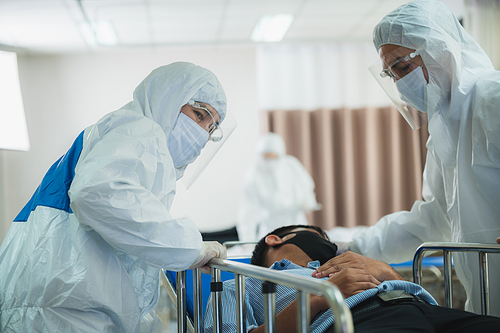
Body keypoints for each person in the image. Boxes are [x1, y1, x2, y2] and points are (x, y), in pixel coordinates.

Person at [0, 62, 233, 332]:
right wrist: (190, 248)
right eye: (199, 114)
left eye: (211, 127)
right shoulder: (140, 131)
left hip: (61, 306)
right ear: (171, 97)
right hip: (65, 313)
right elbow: (96, 194)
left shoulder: (131, 136)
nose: (203, 133)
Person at [324, 0, 500, 316]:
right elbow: (432, 220)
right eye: (391, 75)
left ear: (441, 49)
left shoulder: (493, 97)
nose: (401, 84)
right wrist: (353, 246)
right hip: (486, 300)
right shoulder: (444, 132)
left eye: (403, 67)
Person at [204, 225, 500, 333]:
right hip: (359, 322)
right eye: (321, 237)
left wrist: (384, 271)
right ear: (275, 239)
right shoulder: (239, 283)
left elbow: (403, 287)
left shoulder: (354, 263)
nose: (330, 245)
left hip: (425, 309)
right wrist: (321, 297)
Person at [237, 132, 320, 241]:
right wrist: (247, 242)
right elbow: (247, 212)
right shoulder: (252, 176)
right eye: (266, 156)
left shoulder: (292, 165)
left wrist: (308, 201)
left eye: (273, 156)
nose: (270, 160)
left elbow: (307, 186)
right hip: (270, 230)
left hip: (297, 224)